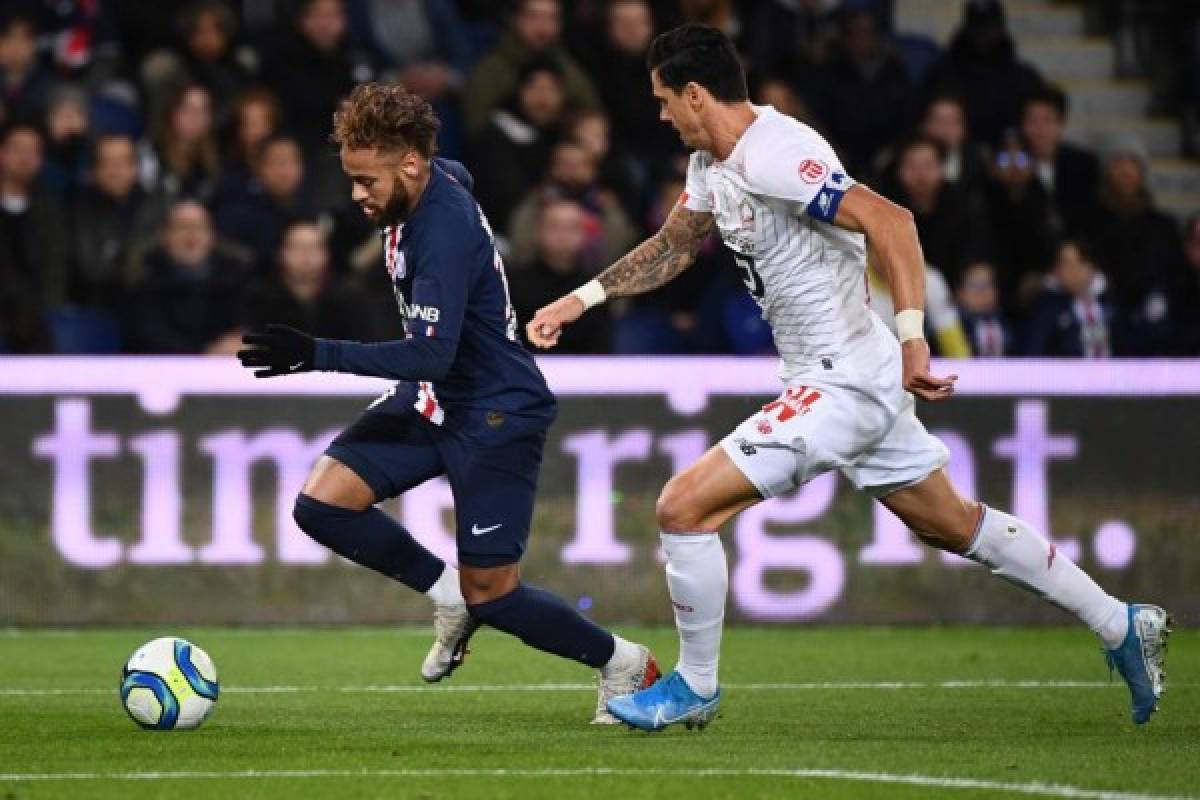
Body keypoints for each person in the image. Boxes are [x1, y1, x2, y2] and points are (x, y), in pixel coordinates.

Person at [528, 24, 1171, 731]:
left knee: (681, 508)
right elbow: (676, 245)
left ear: (694, 93)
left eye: (662, 100)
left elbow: (891, 223)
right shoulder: (713, 162)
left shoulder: (779, 154)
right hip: (836, 375)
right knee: (951, 523)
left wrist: (914, 339)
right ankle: (1120, 622)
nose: (659, 116)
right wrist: (581, 298)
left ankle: (695, 685)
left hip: (846, 381)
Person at [236, 83, 659, 724]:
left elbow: (429, 354)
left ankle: (625, 664)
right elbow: (457, 169)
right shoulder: (435, 180)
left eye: (365, 180)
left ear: (409, 165)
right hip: (438, 400)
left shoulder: (440, 231)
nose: (356, 195)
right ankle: (446, 597)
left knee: (493, 594)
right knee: (322, 506)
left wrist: (316, 353)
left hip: (495, 410)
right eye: (351, 179)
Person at [1026, 239, 1124, 358]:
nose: (1074, 271)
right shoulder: (1046, 310)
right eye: (1066, 264)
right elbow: (1035, 353)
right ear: (1056, 272)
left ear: (1093, 267)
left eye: (1081, 262)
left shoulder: (1111, 305)